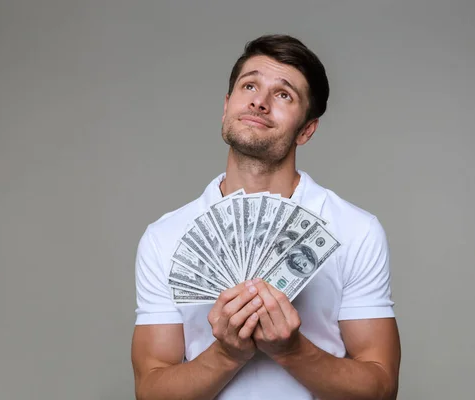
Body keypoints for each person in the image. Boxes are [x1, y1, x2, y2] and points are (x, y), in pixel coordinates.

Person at [131, 34, 401, 399]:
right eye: (250, 85)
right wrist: (226, 354)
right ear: (226, 106)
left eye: (283, 94)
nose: (260, 101)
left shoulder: (356, 230)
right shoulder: (165, 237)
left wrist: (292, 351)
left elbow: (381, 389)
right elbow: (151, 390)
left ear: (306, 129)